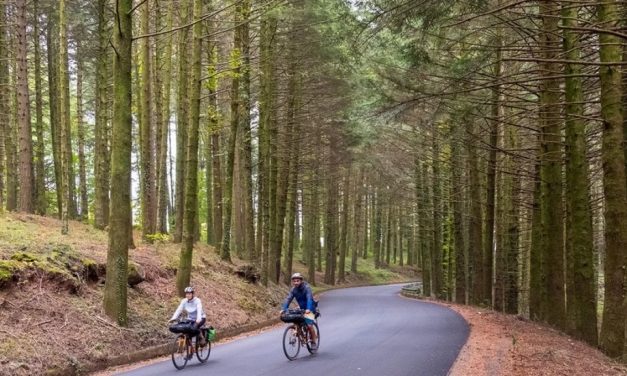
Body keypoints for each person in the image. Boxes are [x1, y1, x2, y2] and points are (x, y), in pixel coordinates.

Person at [280, 272, 318, 346]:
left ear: (301, 281)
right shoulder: (293, 290)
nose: (296, 282)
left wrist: (308, 309)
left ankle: (313, 340)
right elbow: (288, 299)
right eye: (294, 281)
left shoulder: (307, 288)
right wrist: (283, 309)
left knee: (309, 325)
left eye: (297, 281)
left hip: (310, 309)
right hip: (301, 309)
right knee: (295, 321)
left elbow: (309, 299)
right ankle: (299, 333)